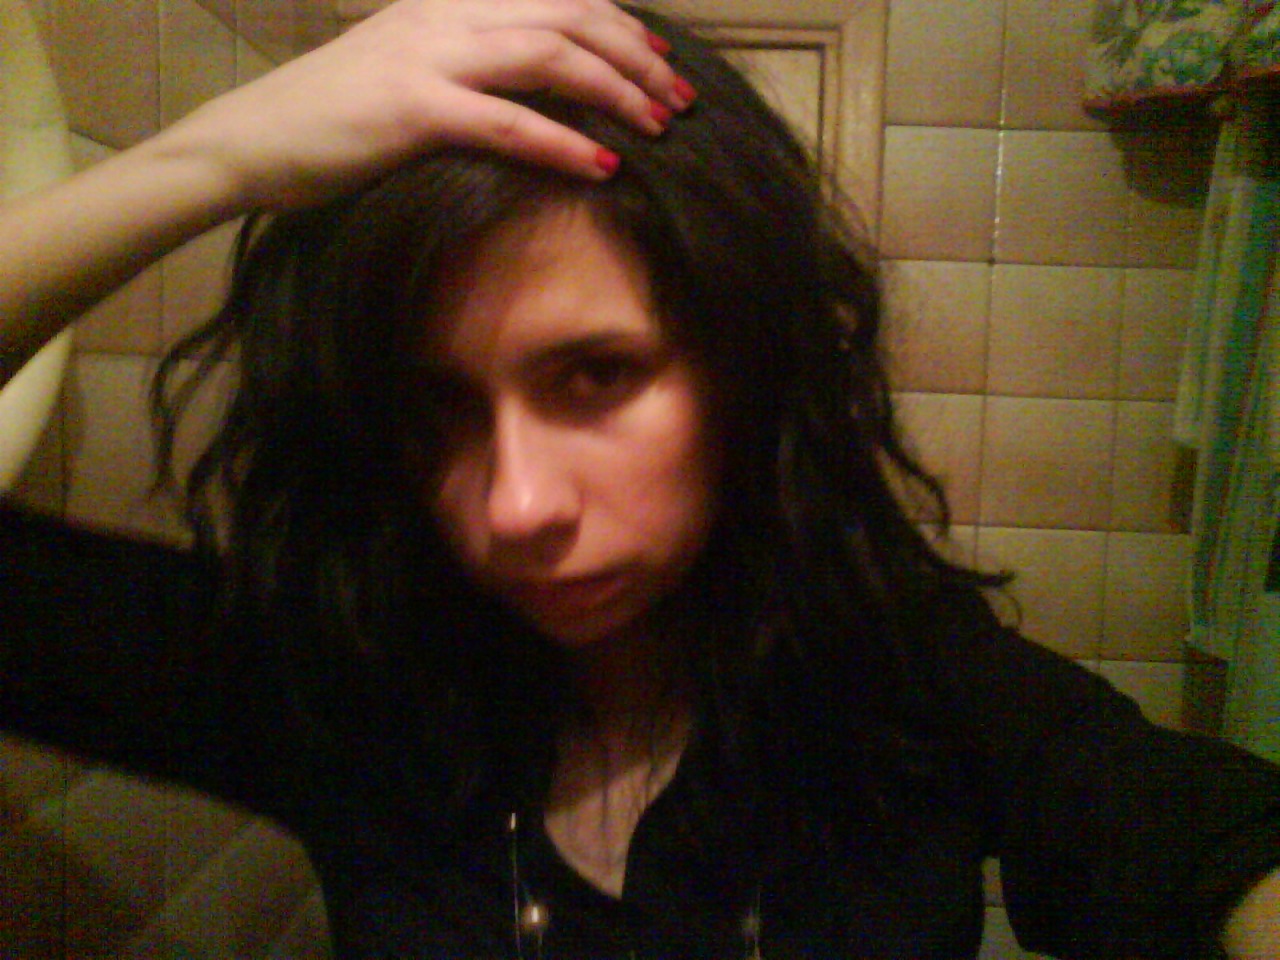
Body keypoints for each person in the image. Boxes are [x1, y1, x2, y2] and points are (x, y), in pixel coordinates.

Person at [2, 1, 1279, 957]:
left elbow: (1203, 844)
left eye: (595, 376)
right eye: (435, 410)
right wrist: (209, 160)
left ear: (743, 366)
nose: (514, 508)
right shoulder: (343, 675)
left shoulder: (895, 671)